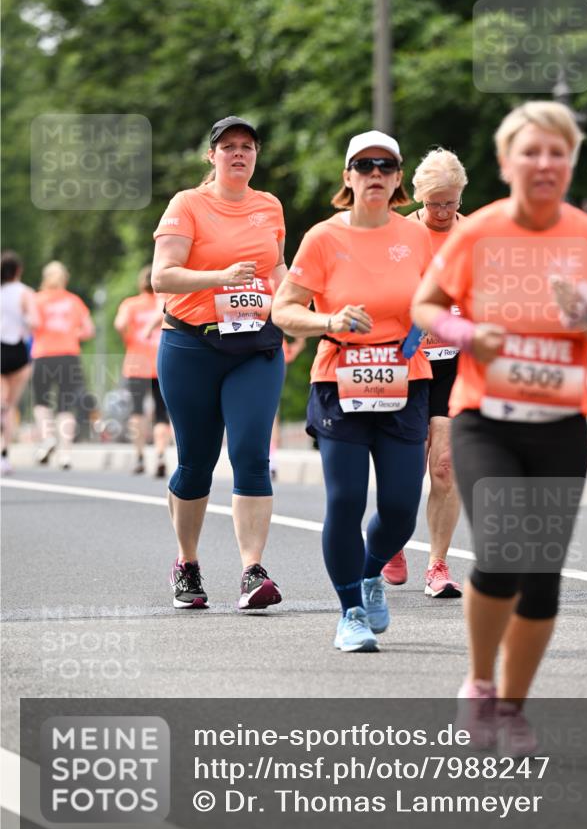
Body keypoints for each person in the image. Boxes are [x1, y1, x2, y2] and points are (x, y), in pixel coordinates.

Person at [411, 101, 587, 749]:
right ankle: (478, 685)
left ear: (570, 163)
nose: (543, 163)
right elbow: (426, 305)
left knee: (540, 576)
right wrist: (465, 332)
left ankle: (511, 705)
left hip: (559, 423)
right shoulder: (477, 232)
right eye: (530, 152)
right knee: (504, 550)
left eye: (556, 152)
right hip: (485, 420)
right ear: (506, 162)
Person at [272, 130, 433, 652]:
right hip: (339, 378)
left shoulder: (417, 236)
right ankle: (350, 612)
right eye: (364, 166)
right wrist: (329, 319)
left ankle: (368, 575)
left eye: (386, 166)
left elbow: (438, 301)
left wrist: (418, 333)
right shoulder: (323, 237)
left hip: (405, 379)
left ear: (399, 179)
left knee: (402, 507)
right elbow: (283, 309)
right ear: (348, 177)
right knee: (344, 500)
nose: (375, 175)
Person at [151, 115, 287, 611]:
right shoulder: (188, 204)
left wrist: (296, 302)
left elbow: (277, 269)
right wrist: (220, 277)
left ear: (255, 155)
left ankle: (253, 571)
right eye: (227, 146)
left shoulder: (269, 206)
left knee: (251, 453)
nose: (238, 154)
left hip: (256, 347)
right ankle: (187, 564)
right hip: (191, 347)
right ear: (211, 156)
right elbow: (162, 277)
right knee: (196, 464)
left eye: (247, 146)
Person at [382, 148, 468, 598]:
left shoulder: (473, 235)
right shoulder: (398, 234)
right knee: (406, 465)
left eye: (450, 202)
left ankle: (438, 564)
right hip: (408, 357)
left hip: (455, 362)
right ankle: (393, 542)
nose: (441, 212)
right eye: (433, 203)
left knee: (446, 466)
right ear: (416, 197)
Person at [31, 261, 95, 470]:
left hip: (43, 354)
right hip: (68, 355)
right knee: (65, 405)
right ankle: (65, 454)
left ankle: (48, 437)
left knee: (41, 402)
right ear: (65, 278)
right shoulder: (74, 301)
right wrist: (71, 334)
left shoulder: (37, 300)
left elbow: (32, 325)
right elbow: (89, 330)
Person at [114, 265, 172, 477]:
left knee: (136, 411)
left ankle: (139, 457)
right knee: (161, 413)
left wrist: (128, 339)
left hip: (136, 363)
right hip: (161, 362)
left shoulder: (131, 304)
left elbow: (119, 324)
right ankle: (160, 455)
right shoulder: (164, 301)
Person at [1, 251, 39, 475]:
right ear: (18, 271)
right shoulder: (25, 293)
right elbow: (34, 321)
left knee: (1, 405)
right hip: (17, 350)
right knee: (9, 407)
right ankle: (4, 454)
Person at [269, 335, 306, 480]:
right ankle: (271, 461)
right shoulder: (278, 336)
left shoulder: (276, 337)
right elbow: (291, 353)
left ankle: (271, 460)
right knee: (273, 419)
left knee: (271, 419)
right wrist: (301, 341)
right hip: (273, 367)